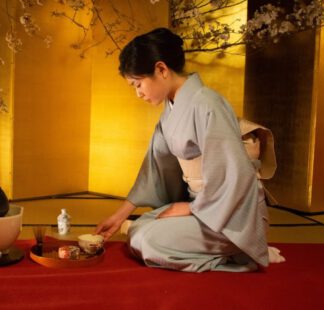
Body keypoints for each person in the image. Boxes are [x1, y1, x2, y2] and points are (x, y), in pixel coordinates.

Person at [96, 27, 283, 272]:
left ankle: (240, 249)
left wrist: (189, 208)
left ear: (161, 70)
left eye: (138, 84)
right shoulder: (170, 112)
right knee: (139, 228)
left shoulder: (207, 104)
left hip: (229, 214)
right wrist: (119, 215)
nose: (138, 93)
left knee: (147, 240)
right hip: (203, 207)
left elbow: (234, 174)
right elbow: (154, 169)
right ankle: (222, 248)